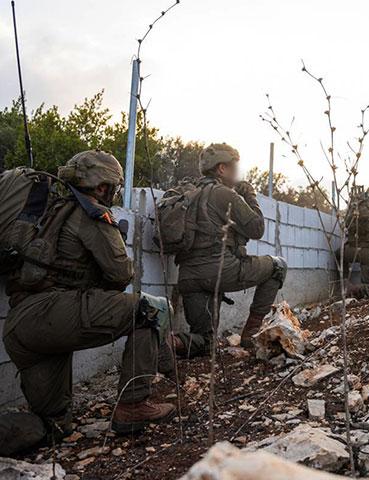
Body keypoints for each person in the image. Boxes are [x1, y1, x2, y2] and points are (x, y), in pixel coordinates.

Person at [2, 150, 175, 440]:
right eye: (114, 188)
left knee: (53, 427)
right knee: (152, 310)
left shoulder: (50, 211)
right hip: (52, 314)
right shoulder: (92, 213)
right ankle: (132, 405)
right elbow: (121, 275)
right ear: (103, 187)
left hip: (21, 328)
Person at [173, 143, 287, 353]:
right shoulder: (224, 194)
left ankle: (167, 344)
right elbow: (257, 228)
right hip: (220, 271)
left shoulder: (190, 194)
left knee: (205, 342)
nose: (237, 171)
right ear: (222, 169)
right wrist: (250, 195)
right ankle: (250, 334)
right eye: (234, 166)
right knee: (278, 266)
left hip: (188, 278)